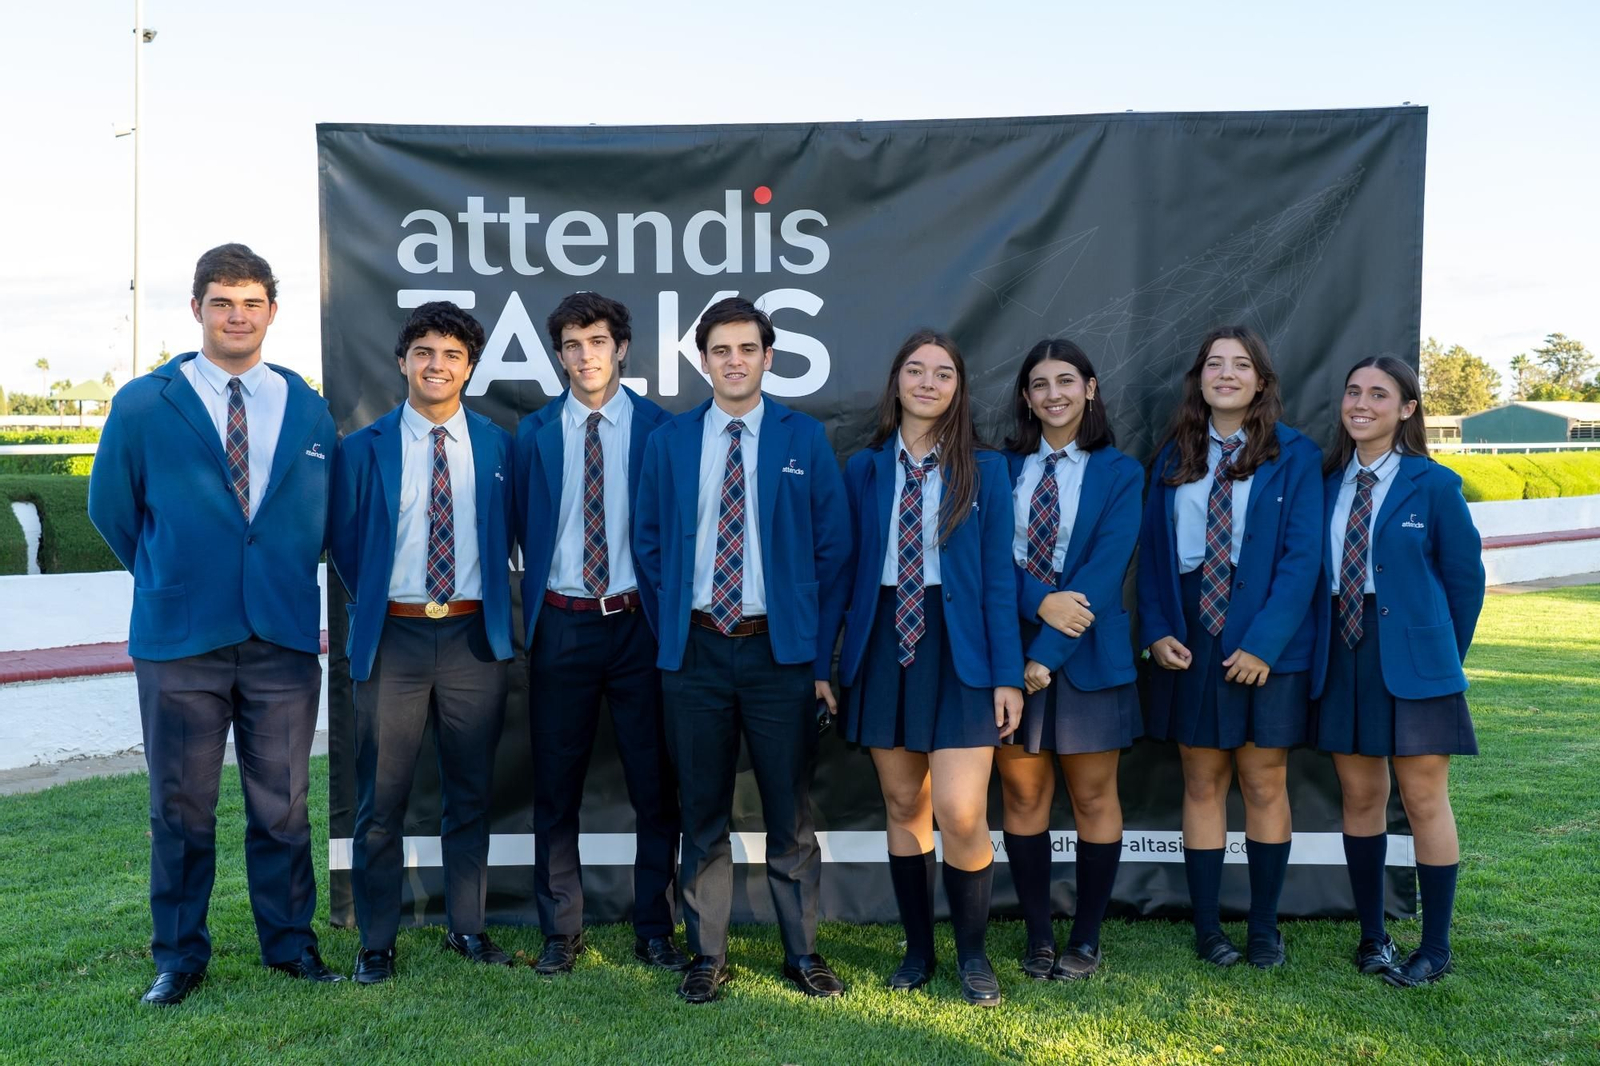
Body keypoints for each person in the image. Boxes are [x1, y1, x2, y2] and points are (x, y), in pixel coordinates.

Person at [88, 244, 341, 1004]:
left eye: (252, 302)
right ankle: (179, 956)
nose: (238, 315)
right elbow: (112, 510)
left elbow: (318, 513)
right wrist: (174, 576)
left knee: (283, 805)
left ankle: (290, 944)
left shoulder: (304, 404)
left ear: (271, 312)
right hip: (181, 641)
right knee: (181, 807)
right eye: (223, 301)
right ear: (197, 308)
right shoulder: (144, 401)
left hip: (282, 640)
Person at [634, 297, 850, 1004]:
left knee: (790, 812)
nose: (733, 361)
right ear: (704, 361)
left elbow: (833, 553)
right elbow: (651, 544)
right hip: (695, 653)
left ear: (767, 356)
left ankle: (803, 953)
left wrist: (817, 663)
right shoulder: (670, 441)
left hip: (778, 657)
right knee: (702, 813)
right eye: (720, 350)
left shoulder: (803, 438)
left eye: (746, 349)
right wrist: (679, 626)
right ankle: (707, 954)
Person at [826, 329, 1023, 1006]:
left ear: (959, 388)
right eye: (916, 370)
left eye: (943, 373)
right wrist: (829, 660)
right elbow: (845, 572)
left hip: (960, 644)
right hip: (885, 640)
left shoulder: (986, 470)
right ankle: (918, 952)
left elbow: (1000, 578)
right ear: (897, 382)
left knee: (963, 812)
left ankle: (973, 955)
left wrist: (1007, 674)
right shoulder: (864, 469)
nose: (929, 382)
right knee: (905, 802)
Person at [328, 301, 515, 984]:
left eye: (453, 355)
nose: (438, 366)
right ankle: (376, 942)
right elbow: (346, 546)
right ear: (404, 361)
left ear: (469, 367)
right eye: (425, 353)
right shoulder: (363, 449)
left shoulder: (499, 447)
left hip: (472, 638)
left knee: (469, 793)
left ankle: (467, 928)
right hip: (396, 638)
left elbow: (511, 534)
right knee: (382, 798)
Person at [1136, 325, 1321, 969]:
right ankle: (1209, 928)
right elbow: (1154, 559)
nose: (1226, 374)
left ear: (1262, 382)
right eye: (1214, 363)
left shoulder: (1294, 455)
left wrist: (1264, 644)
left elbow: (1302, 561)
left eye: (1241, 365)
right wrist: (1156, 629)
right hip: (1190, 636)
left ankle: (1265, 927)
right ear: (1200, 379)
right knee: (1202, 777)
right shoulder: (1171, 455)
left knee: (1264, 780)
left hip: (1266, 637)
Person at [511, 292, 683, 976]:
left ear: (621, 348)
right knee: (556, 787)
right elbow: (517, 528)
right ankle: (561, 930)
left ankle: (655, 928)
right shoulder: (533, 434)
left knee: (654, 785)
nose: (587, 356)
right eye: (573, 345)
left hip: (637, 624)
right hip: (561, 624)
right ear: (559, 355)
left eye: (598, 342)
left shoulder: (660, 430)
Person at [1312, 356, 1483, 987]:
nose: (1362, 404)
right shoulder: (1324, 482)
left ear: (1407, 409)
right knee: (1361, 798)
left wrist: (1437, 656)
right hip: (1344, 652)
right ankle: (1372, 937)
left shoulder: (1434, 486)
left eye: (1379, 395)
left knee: (1422, 800)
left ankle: (1434, 948)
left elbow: (1466, 584)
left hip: (1415, 660)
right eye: (1353, 391)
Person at [994, 339, 1142, 982]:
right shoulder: (997, 470)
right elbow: (988, 564)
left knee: (1093, 796)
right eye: (1039, 384)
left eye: (1066, 381)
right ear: (1026, 397)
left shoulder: (1121, 472)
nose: (1053, 394)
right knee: (1023, 799)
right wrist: (1037, 618)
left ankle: (1085, 938)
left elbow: (1105, 572)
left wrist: (1044, 658)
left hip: (1085, 658)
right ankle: (1038, 937)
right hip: (1012, 650)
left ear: (1090, 387)